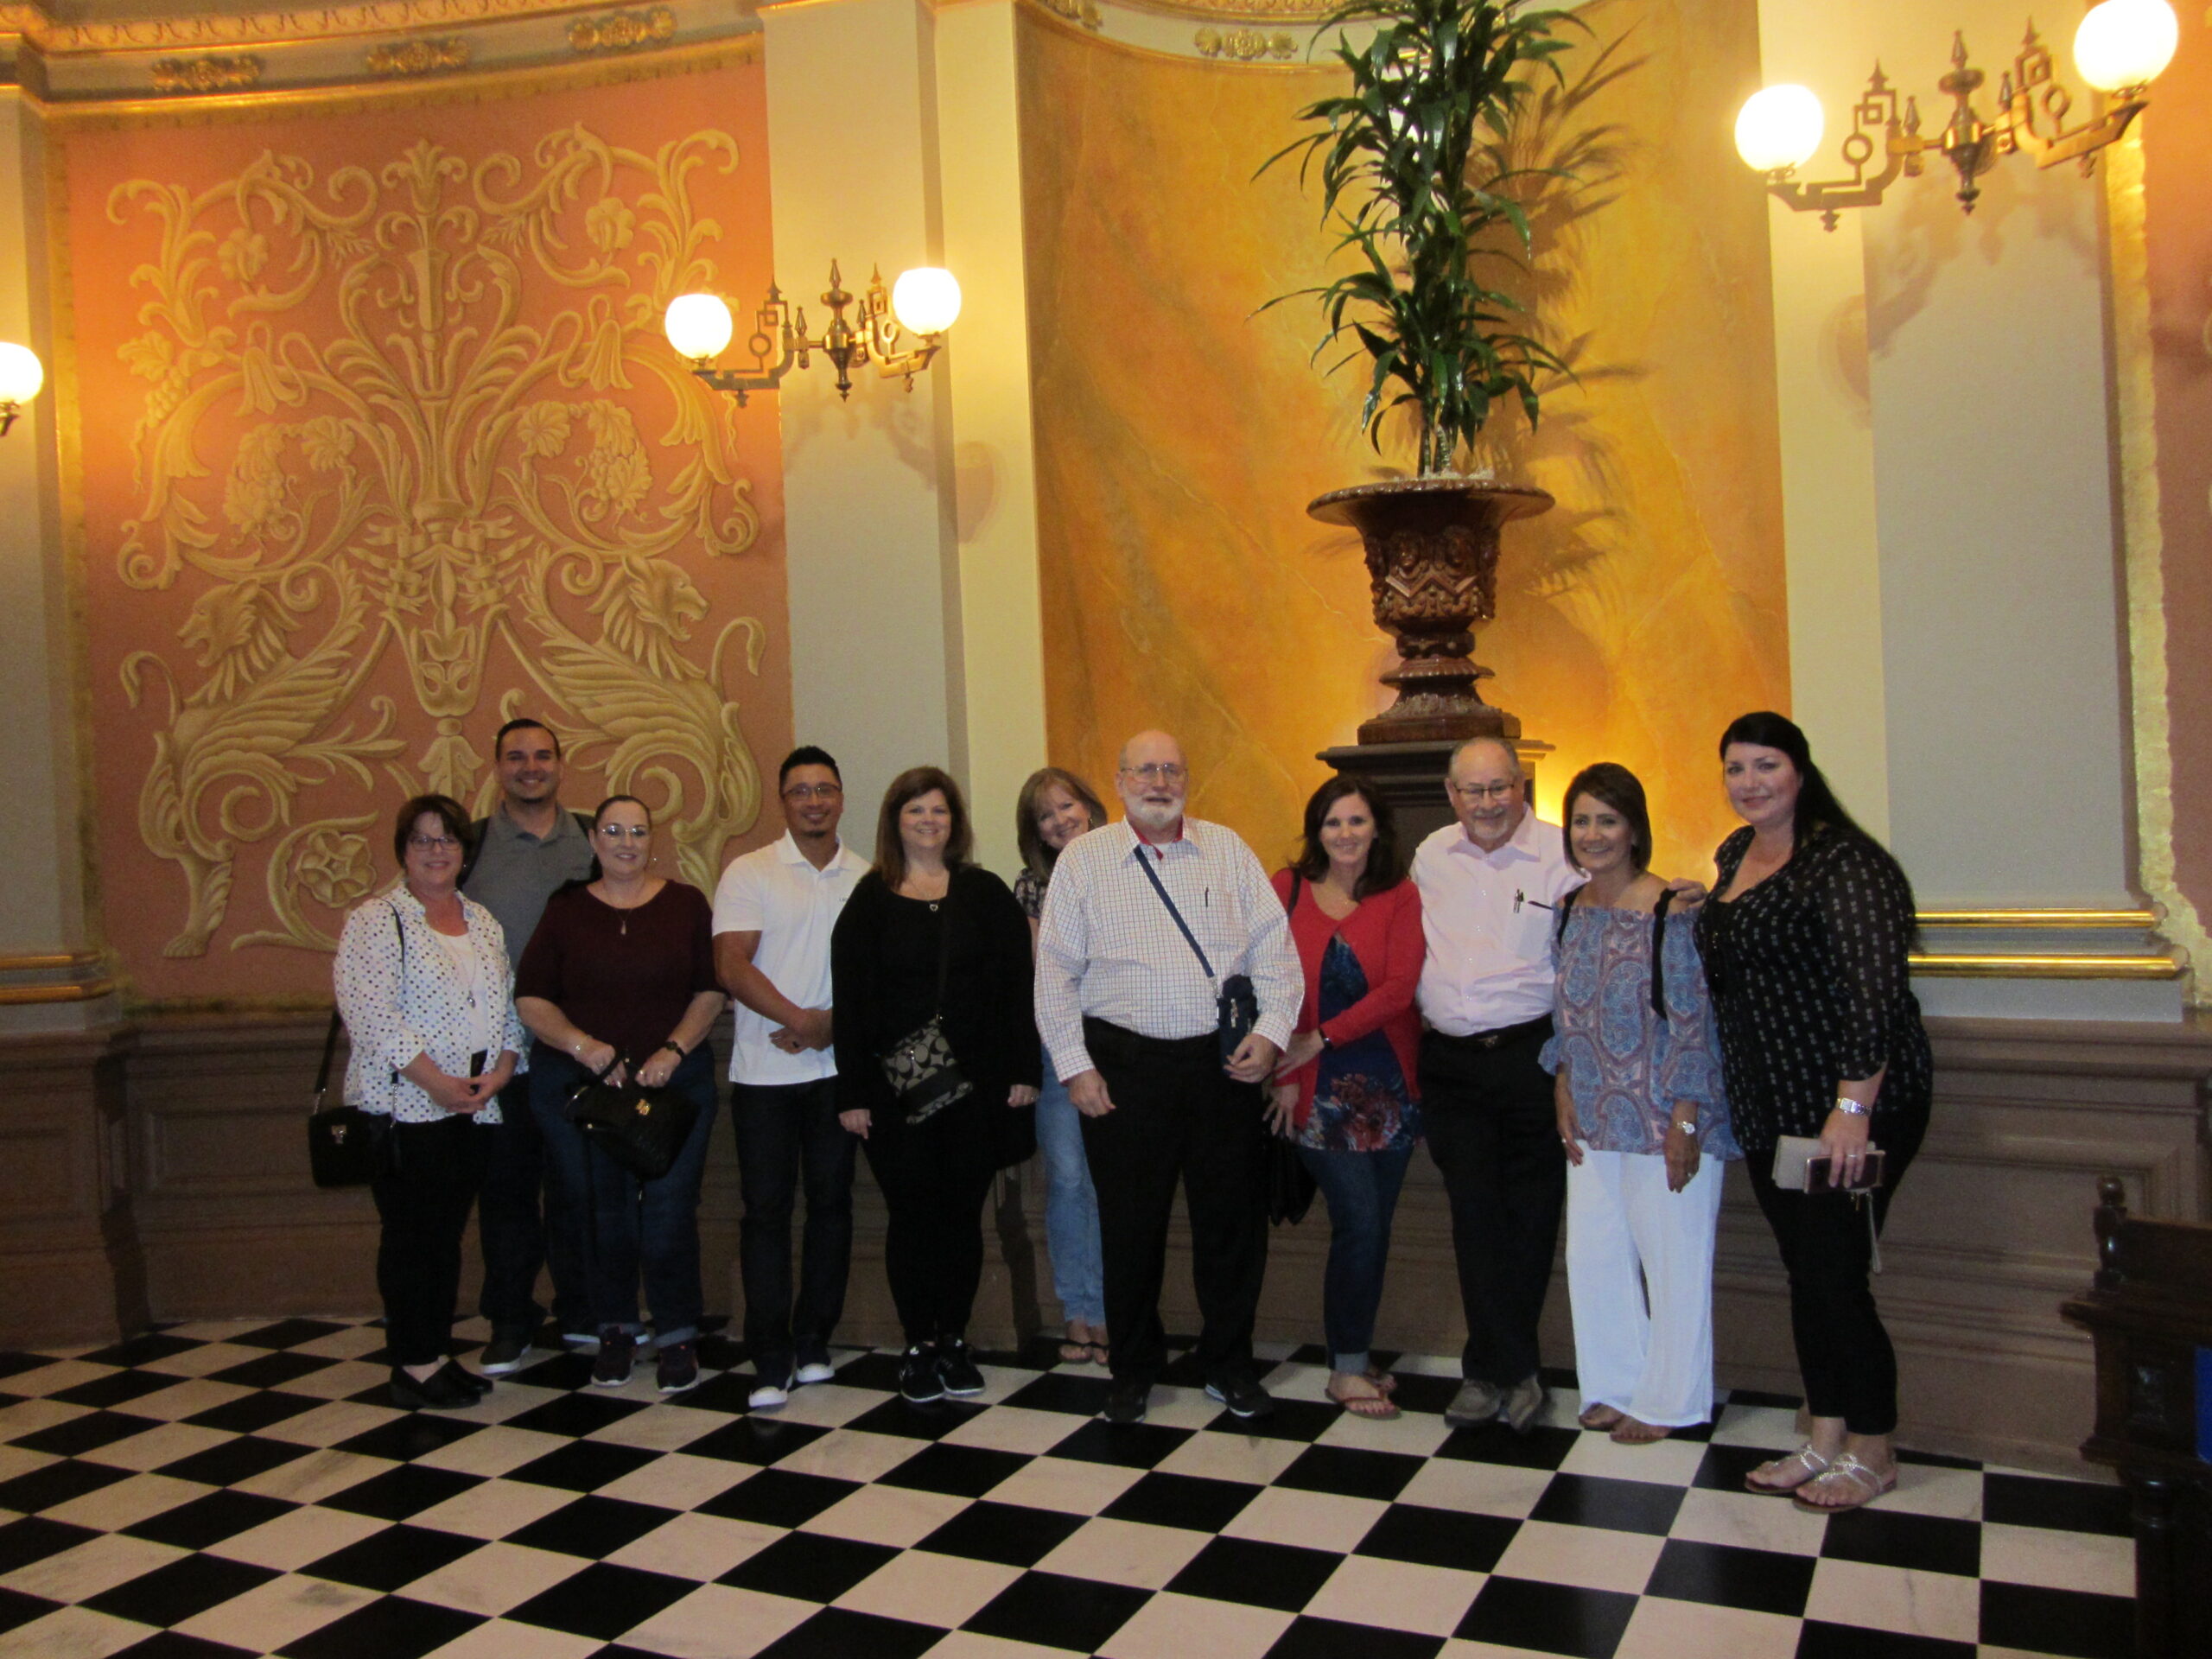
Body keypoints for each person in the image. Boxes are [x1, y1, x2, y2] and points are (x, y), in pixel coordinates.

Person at [1694, 711, 1932, 1513]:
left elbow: (1875, 997)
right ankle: (1824, 1433)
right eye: (1736, 768)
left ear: (1800, 770)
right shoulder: (1735, 853)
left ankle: (1875, 1446)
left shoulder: (1846, 862)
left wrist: (1851, 1109)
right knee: (1807, 1272)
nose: (1750, 782)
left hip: (1848, 1105)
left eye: (1766, 765)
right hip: (1769, 1104)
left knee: (1834, 1274)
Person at [1034, 730, 1301, 1427]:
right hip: (1123, 1070)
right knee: (1130, 1231)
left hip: (1222, 1069)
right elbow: (1054, 973)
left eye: (1171, 770)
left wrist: (1271, 1033)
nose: (1159, 781)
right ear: (1119, 781)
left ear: (1188, 778)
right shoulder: (1084, 860)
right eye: (1145, 770)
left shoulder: (1228, 850)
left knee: (1231, 1228)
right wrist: (1075, 1067)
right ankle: (1132, 1371)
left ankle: (1229, 1365)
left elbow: (1277, 953)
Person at [1543, 763, 1738, 1445]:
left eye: (1608, 820)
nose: (1593, 834)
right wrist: (1562, 1083)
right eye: (1581, 821)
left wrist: (1686, 1119)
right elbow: (1565, 1013)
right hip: (1593, 1113)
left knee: (1674, 1258)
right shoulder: (1569, 908)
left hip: (1664, 1115)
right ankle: (1615, 1384)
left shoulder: (1670, 911)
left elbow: (1694, 1023)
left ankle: (1671, 1401)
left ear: (1634, 830)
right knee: (1595, 1256)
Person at [830, 767, 1039, 1404]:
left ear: (955, 821)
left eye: (939, 810)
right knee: (912, 1217)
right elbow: (852, 1003)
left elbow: (1017, 989)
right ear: (895, 821)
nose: (929, 821)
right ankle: (918, 1343)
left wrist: (1024, 1071)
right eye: (916, 810)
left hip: (977, 1088)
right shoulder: (869, 901)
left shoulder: (984, 893)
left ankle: (954, 1340)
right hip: (895, 1093)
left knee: (961, 1218)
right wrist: (853, 1093)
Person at [514, 796, 728, 1395]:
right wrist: (587, 1049)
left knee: (668, 1212)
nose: (626, 842)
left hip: (675, 1088)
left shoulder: (687, 904)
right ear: (593, 841)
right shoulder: (565, 911)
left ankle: (677, 1332)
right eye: (613, 830)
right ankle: (616, 1329)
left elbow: (710, 992)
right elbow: (531, 999)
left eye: (637, 831)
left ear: (652, 839)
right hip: (595, 1093)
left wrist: (673, 1052)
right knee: (604, 1213)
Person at [1413, 735, 1585, 1433]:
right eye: (1472, 791)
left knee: (1532, 1216)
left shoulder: (1562, 854)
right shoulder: (1430, 855)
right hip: (1451, 1065)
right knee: (1474, 1215)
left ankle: (1494, 1371)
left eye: (1498, 787)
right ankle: (1510, 1371)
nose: (1487, 803)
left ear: (1522, 786)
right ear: (1451, 795)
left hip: (1531, 1058)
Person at [334, 794, 525, 1410]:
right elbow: (371, 1016)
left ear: (464, 851)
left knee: (445, 1237)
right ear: (403, 851)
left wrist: (500, 1072)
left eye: (448, 839)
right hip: (407, 1109)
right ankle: (413, 1365)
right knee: (412, 1238)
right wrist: (436, 1082)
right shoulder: (376, 920)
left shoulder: (482, 921)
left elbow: (506, 1009)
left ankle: (435, 1355)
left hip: (474, 1107)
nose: (436, 851)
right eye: (422, 839)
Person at [712, 747, 869, 1410]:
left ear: (841, 798)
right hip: (765, 1075)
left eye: (824, 789)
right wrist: (801, 1019)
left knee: (832, 1207)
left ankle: (813, 1341)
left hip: (838, 1073)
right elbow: (731, 964)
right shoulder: (750, 871)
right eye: (801, 790)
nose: (814, 801)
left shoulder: (867, 876)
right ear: (783, 801)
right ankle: (769, 1353)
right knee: (766, 1213)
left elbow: (882, 974)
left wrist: (830, 1025)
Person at [1267, 777, 1423, 1421]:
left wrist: (1321, 1037)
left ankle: (1352, 1351)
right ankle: (1346, 1370)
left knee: (1374, 1228)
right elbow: (1267, 979)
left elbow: (1400, 989)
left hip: (1390, 1089)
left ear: (1377, 828)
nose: (1345, 834)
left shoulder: (1401, 894)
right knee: (1359, 1222)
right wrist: (1284, 1067)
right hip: (1315, 1090)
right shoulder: (1287, 888)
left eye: (1357, 821)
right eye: (1333, 822)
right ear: (1316, 830)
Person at [458, 717, 598, 1373]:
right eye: (516, 757)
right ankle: (510, 1319)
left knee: (577, 1188)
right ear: (497, 768)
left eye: (543, 756)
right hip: (499, 1057)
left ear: (561, 765)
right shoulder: (470, 845)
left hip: (576, 1051)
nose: (531, 767)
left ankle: (582, 1311)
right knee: (507, 1194)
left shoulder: (593, 836)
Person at [1014, 766, 1110, 1366]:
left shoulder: (1130, 865)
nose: (1059, 820)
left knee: (1117, 1181)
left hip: (1125, 1044)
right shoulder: (1031, 886)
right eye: (1045, 815)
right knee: (1071, 1180)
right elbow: (1044, 973)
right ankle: (1080, 1309)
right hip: (1058, 1048)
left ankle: (1116, 1310)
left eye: (1066, 806)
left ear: (1090, 806)